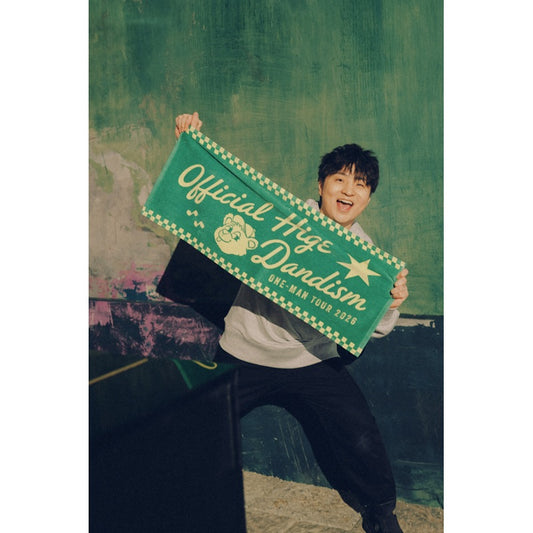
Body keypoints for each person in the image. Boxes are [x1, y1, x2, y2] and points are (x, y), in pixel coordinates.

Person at [175, 112, 410, 533]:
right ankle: (174, 505)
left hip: (312, 361)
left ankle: (380, 518)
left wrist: (391, 304)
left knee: (363, 440)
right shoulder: (279, 217)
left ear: (368, 197)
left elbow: (375, 328)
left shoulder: (365, 255)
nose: (348, 190)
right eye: (339, 179)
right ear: (320, 185)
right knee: (193, 427)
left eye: (360, 184)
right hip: (245, 351)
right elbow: (213, 202)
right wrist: (189, 146)